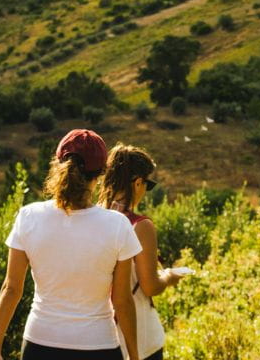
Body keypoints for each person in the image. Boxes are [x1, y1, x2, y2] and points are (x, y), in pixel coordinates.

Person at [0, 129, 142, 360]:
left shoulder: (29, 216)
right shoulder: (117, 225)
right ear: (100, 172)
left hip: (40, 344)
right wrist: (135, 356)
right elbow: (122, 299)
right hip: (99, 347)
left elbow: (11, 288)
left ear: (58, 163)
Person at [100, 145, 185, 360]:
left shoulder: (90, 220)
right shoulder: (141, 226)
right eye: (148, 184)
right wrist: (169, 276)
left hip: (98, 336)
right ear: (138, 182)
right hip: (140, 337)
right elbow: (150, 285)